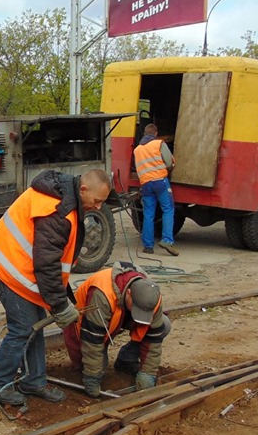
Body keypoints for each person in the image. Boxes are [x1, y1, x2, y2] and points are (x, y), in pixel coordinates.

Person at [0, 168, 111, 406]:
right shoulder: (58, 211)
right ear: (83, 189)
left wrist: (63, 298)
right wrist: (60, 305)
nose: (99, 207)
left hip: (19, 265)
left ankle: (34, 380)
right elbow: (47, 264)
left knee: (34, 324)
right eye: (97, 201)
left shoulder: (66, 197)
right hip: (7, 266)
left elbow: (55, 262)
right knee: (23, 328)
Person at [64, 262, 170, 395]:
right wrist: (92, 377)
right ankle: (90, 371)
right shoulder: (102, 294)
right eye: (137, 308)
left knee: (163, 325)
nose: (140, 314)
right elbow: (92, 340)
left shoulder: (151, 296)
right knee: (93, 368)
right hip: (83, 325)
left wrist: (148, 373)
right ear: (129, 293)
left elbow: (153, 339)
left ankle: (126, 360)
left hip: (119, 315)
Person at [134, 123, 178, 256]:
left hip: (146, 184)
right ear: (156, 133)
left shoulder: (137, 150)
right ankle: (167, 241)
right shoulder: (158, 143)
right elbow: (170, 162)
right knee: (168, 209)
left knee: (148, 214)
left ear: (144, 134)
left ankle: (148, 246)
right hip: (160, 181)